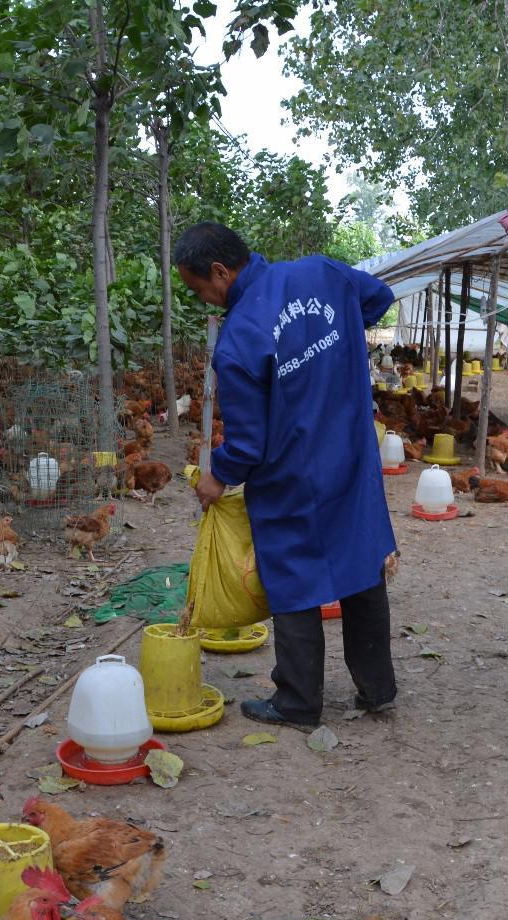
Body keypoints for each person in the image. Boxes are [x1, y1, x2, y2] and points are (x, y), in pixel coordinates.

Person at [174, 221, 398, 732]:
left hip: (294, 474)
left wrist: (216, 478)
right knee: (361, 563)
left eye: (201, 289)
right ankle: (377, 689)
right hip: (351, 454)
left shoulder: (238, 338)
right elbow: (379, 297)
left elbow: (248, 443)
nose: (206, 300)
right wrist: (333, 349)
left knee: (295, 578)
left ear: (220, 271)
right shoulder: (322, 272)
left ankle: (298, 703)